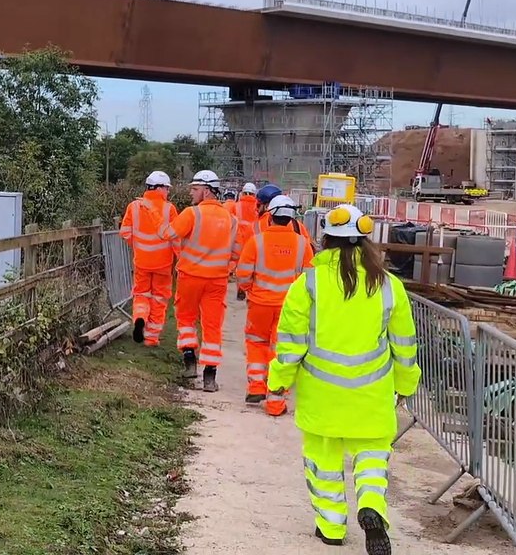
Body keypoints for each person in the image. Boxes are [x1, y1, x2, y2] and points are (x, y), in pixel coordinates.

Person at [267, 204, 420, 553]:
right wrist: (406, 384)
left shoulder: (308, 284)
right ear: (367, 241)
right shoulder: (389, 286)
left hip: (322, 396)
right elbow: (405, 345)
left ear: (325, 239)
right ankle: (371, 507)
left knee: (323, 463)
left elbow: (291, 344)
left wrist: (278, 379)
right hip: (372, 394)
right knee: (372, 457)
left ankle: (331, 528)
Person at [234, 194, 313, 415]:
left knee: (256, 342)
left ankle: (256, 385)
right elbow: (310, 279)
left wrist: (250, 290)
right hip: (289, 308)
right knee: (281, 349)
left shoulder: (257, 241)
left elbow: (242, 274)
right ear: (291, 219)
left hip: (259, 303)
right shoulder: (302, 244)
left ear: (270, 216)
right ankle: (276, 400)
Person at [162, 170, 240, 391]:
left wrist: (162, 220)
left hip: (190, 277)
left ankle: (189, 363)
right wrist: (225, 268)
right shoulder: (232, 220)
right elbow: (236, 253)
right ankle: (210, 377)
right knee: (212, 326)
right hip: (216, 281)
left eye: (194, 189)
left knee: (186, 319)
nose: (190, 193)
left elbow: (168, 234)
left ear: (207, 191)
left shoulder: (191, 214)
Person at [118, 171, 179, 347]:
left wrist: (138, 246)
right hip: (163, 264)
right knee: (159, 299)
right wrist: (179, 259)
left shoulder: (134, 206)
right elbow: (176, 239)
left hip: (142, 262)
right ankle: (151, 338)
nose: (168, 192)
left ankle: (139, 319)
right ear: (159, 188)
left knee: (141, 295)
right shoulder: (169, 209)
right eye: (167, 188)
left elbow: (124, 232)